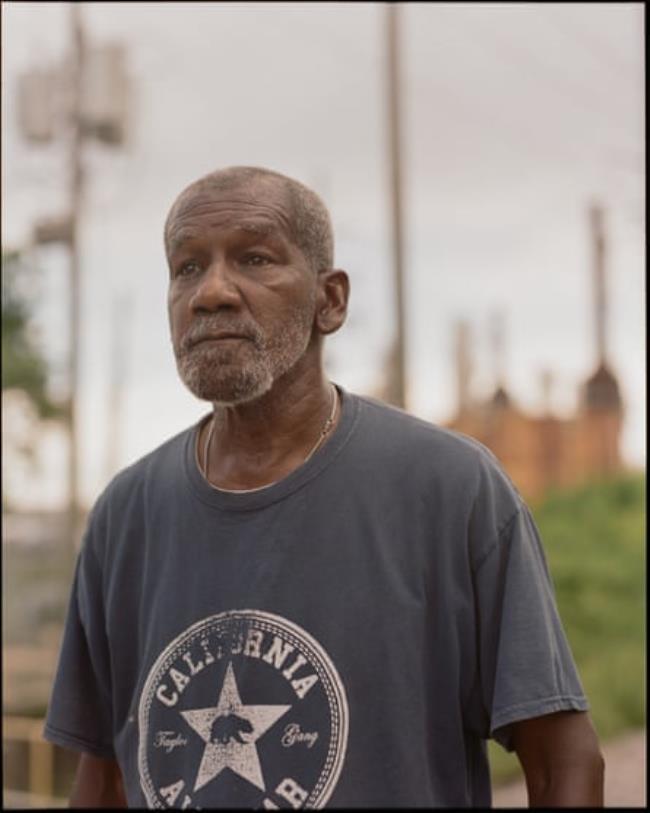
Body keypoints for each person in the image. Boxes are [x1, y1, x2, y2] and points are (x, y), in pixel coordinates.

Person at [44, 166, 604, 808]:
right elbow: (107, 775)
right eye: (187, 268)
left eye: (254, 258)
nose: (212, 293)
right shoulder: (125, 516)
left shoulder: (452, 490)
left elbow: (562, 760)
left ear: (330, 301)